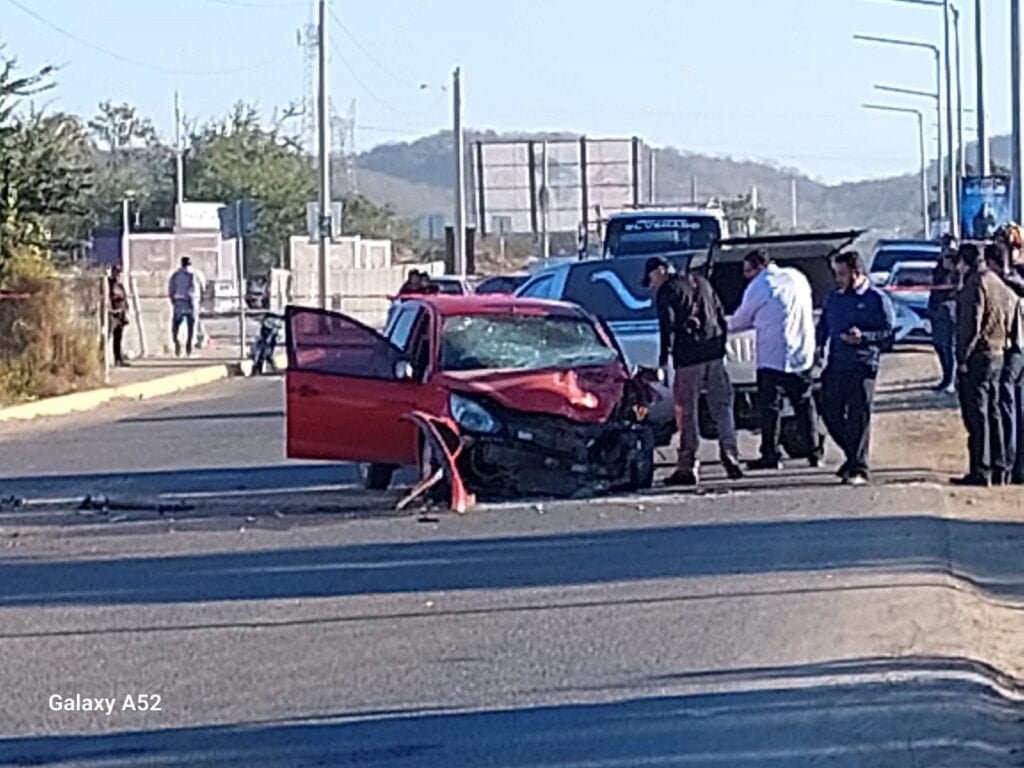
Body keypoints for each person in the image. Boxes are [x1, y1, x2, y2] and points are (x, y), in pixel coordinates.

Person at [644, 256, 743, 486]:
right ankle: (729, 452)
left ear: (660, 271)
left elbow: (666, 325)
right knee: (723, 406)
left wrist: (663, 359)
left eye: (650, 279)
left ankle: (687, 465)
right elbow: (720, 315)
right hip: (714, 355)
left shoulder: (667, 290)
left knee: (686, 411)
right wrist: (720, 346)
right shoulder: (703, 283)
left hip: (688, 359)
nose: (651, 285)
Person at [729, 248, 823, 470]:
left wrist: (720, 327)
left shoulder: (760, 286)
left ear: (759, 267)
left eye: (747, 271)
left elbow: (741, 320)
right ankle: (815, 453)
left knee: (770, 408)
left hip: (772, 355)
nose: (746, 276)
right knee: (804, 404)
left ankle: (770, 455)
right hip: (802, 354)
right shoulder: (796, 276)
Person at [815, 252, 894, 485]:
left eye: (841, 274)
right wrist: (818, 346)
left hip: (863, 365)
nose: (837, 279)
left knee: (858, 416)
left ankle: (859, 468)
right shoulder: (834, 298)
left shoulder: (877, 299)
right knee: (829, 411)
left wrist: (864, 338)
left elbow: (888, 336)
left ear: (856, 273)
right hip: (836, 364)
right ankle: (852, 456)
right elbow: (824, 325)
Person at [953, 243, 1013, 486]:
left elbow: (971, 325)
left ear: (964, 262)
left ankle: (981, 469)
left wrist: (962, 359)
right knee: (994, 412)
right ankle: (1000, 468)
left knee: (977, 416)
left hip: (978, 356)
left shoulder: (974, 284)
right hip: (998, 353)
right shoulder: (997, 282)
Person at [986, 242, 1024, 485]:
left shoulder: (1005, 286)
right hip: (1018, 350)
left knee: (1006, 408)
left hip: (1014, 350)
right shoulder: (1016, 281)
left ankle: (1007, 465)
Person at [928, 237, 959, 393]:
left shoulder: (958, 270)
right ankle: (946, 378)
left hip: (951, 311)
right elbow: (934, 289)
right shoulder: (939, 267)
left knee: (949, 347)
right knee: (939, 345)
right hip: (937, 310)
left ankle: (952, 380)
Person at [168, 256, 206, 357]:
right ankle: (189, 347)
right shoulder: (196, 274)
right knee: (191, 326)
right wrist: (200, 299)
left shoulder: (175, 275)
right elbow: (203, 288)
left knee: (176, 325)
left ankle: (177, 342)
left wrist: (173, 300)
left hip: (179, 302)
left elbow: (171, 289)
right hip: (192, 301)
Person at [108, 265, 130, 367]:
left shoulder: (120, 286)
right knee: (108, 336)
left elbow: (124, 298)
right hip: (113, 314)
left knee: (118, 338)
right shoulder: (109, 284)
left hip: (121, 313)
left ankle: (118, 358)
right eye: (116, 273)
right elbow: (109, 297)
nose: (118, 275)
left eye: (119, 273)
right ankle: (103, 360)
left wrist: (126, 309)